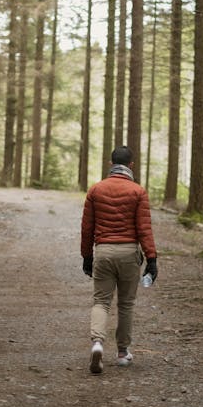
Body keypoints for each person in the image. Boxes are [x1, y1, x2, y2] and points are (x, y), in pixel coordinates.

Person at [80, 145, 158, 374]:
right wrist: (151, 259)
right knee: (125, 304)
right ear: (131, 165)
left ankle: (97, 343)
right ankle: (123, 353)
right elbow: (144, 229)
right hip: (128, 254)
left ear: (110, 164)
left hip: (103, 252)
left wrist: (87, 256)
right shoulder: (138, 192)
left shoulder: (95, 190)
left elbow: (87, 228)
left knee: (101, 301)